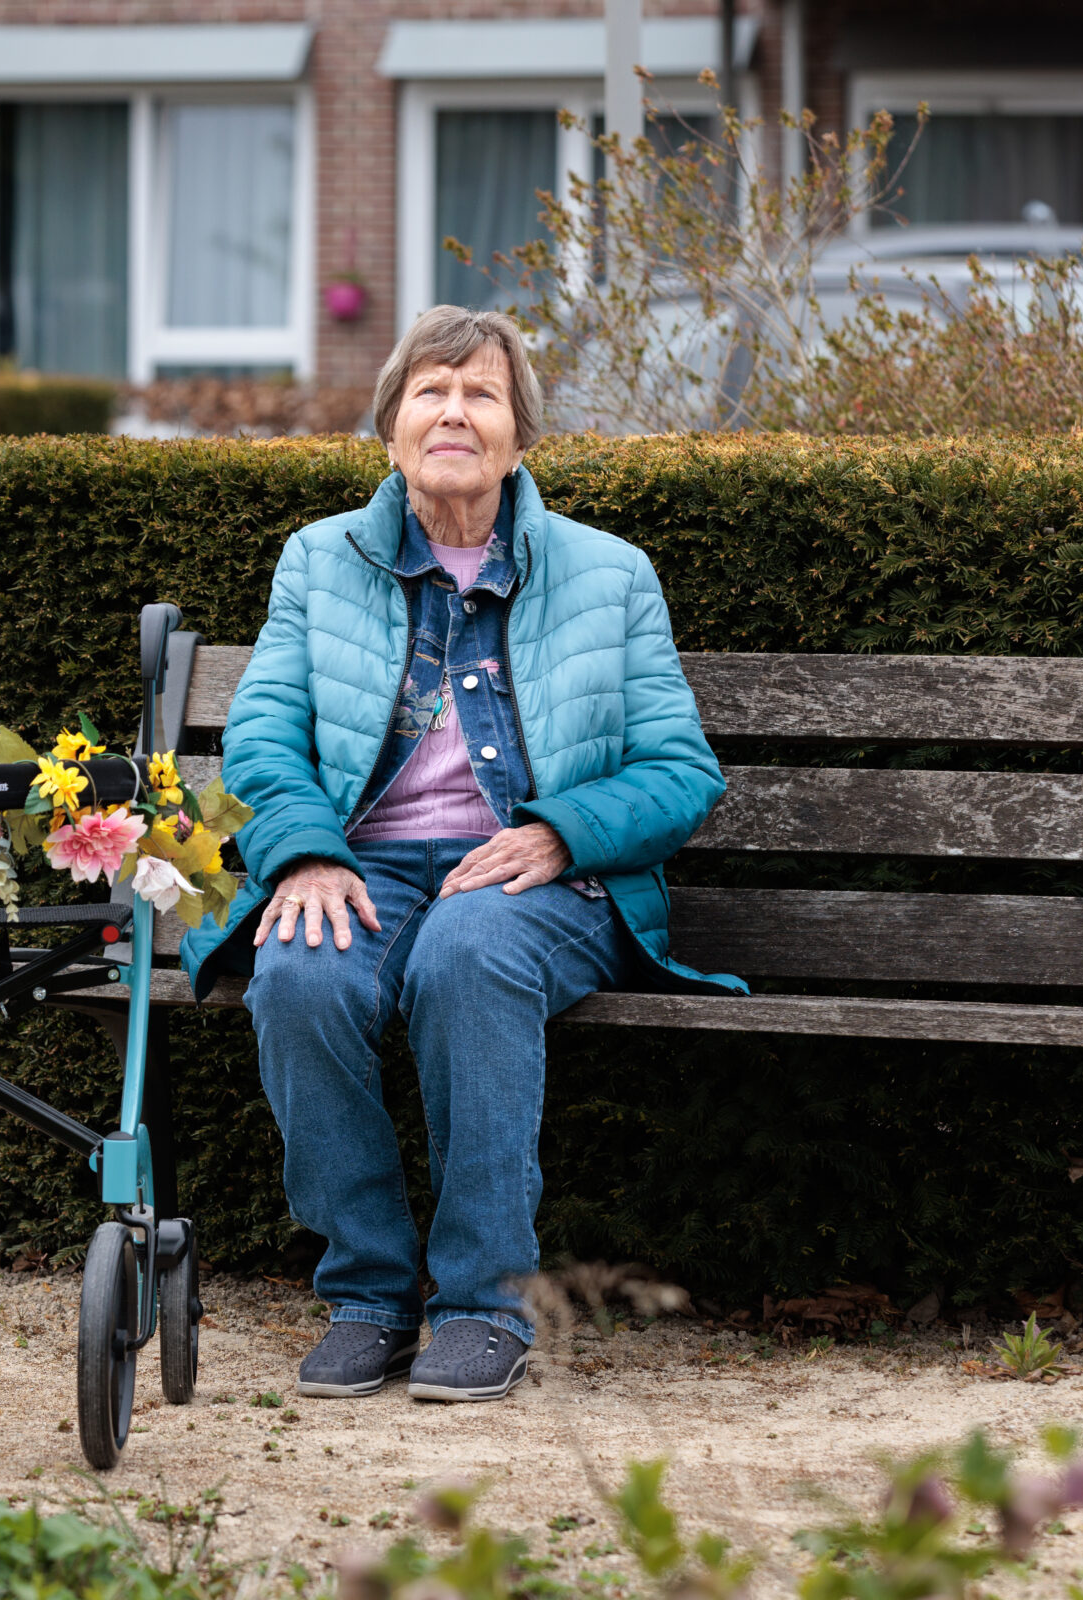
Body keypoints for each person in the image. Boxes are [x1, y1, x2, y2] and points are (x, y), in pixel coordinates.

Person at [177, 305, 745, 1403]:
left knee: (468, 951)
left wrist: (558, 831)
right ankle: (369, 1294)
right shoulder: (314, 559)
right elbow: (256, 742)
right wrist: (297, 854)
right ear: (388, 424)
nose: (452, 412)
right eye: (429, 392)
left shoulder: (609, 572)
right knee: (297, 973)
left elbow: (682, 773)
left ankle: (485, 1303)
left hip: (538, 875)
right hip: (363, 862)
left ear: (517, 435)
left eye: (480, 393)